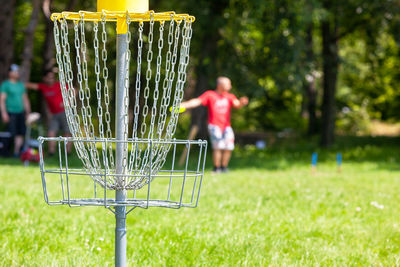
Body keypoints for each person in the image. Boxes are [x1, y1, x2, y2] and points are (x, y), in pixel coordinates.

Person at [180, 76, 248, 173]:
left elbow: (237, 104)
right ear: (220, 85)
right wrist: (183, 105)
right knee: (218, 146)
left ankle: (224, 168)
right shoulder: (210, 95)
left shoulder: (229, 96)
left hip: (226, 126)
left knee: (228, 147)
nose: (230, 86)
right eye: (228, 84)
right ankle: (217, 168)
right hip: (214, 126)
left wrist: (241, 102)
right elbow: (197, 101)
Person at [26, 70, 71, 155]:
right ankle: (51, 152)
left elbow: (73, 91)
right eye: (49, 77)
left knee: (67, 132)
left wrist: (68, 102)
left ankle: (67, 152)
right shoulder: (44, 87)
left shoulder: (59, 85)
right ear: (44, 78)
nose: (51, 79)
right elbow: (30, 85)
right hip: (54, 114)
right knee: (51, 132)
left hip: (65, 112)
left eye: (52, 77)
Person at [0, 64, 31, 157]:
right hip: (10, 112)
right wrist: (4, 113)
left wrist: (28, 112)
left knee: (20, 132)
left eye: (18, 71)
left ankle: (16, 153)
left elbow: (25, 99)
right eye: (15, 71)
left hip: (20, 112)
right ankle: (5, 152)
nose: (17, 73)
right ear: (10, 73)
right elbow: (2, 100)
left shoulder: (21, 85)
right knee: (10, 132)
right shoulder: (5, 85)